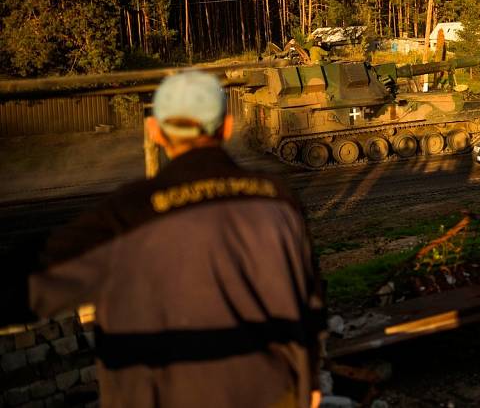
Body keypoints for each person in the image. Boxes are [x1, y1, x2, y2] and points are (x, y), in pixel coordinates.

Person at [3, 71, 325, 408]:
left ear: (156, 131)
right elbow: (310, 297)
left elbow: (28, 283)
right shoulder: (280, 199)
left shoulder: (128, 214)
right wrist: (311, 378)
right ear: (227, 128)